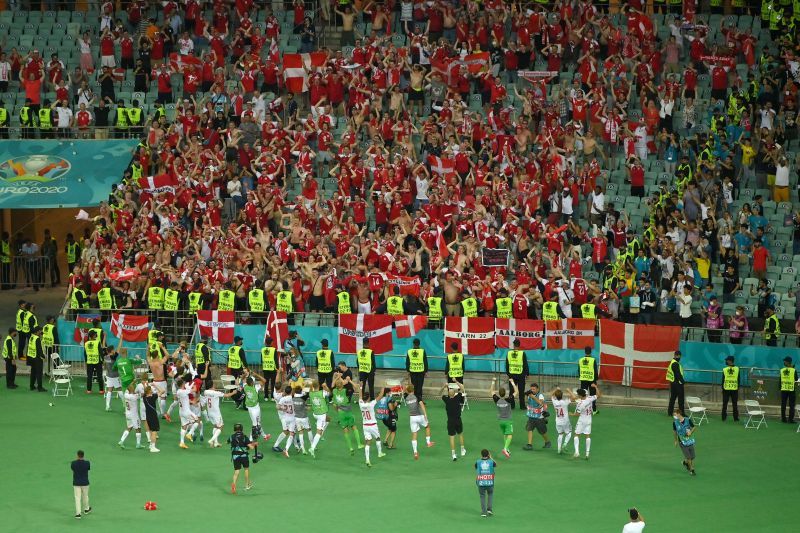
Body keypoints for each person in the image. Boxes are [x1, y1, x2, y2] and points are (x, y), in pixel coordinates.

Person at [330, 376, 364, 455]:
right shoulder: (346, 391)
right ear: (342, 384)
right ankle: (359, 444)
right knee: (354, 426)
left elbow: (332, 385)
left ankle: (350, 448)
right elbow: (357, 387)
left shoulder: (334, 391)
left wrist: (336, 378)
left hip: (340, 413)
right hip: (348, 412)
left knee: (345, 430)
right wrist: (349, 380)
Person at [357, 382, 387, 467]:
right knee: (378, 438)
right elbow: (380, 396)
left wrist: (361, 387)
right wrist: (383, 387)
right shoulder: (371, 404)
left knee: (368, 442)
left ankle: (367, 459)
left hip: (365, 426)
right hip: (373, 425)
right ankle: (379, 453)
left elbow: (359, 396)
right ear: (369, 398)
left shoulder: (361, 404)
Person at [405, 383, 434, 459]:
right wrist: (425, 414)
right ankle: (428, 442)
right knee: (427, 426)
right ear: (413, 389)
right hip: (419, 415)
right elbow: (422, 405)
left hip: (412, 417)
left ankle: (415, 452)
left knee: (414, 434)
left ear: (407, 391)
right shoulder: (417, 396)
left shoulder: (406, 398)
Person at [490, 377, 517, 458]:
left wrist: (493, 381)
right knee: (510, 435)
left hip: (500, 421)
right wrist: (512, 382)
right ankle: (505, 448)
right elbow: (516, 391)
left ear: (499, 393)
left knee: (505, 434)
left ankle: (507, 449)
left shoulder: (496, 399)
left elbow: (491, 391)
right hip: (508, 421)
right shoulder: (508, 399)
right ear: (505, 393)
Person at [572, 384, 600, 460]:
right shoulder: (590, 398)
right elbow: (598, 395)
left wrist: (571, 414)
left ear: (580, 395)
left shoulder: (580, 404)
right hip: (589, 419)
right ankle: (587, 454)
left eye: (578, 395)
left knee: (576, 435)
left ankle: (577, 452)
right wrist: (596, 387)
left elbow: (577, 414)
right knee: (587, 436)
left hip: (582, 420)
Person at [228, 422, 258, 494]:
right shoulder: (244, 437)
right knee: (246, 469)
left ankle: (234, 485)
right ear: (241, 429)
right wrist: (254, 445)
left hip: (235, 456)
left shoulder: (231, 436)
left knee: (236, 471)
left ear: (235, 429)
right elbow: (250, 447)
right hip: (244, 456)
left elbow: (227, 442)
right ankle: (247, 485)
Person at [441, 382, 467, 461]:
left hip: (450, 421)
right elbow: (462, 388)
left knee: (452, 437)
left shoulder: (446, 399)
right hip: (458, 420)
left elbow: (440, 393)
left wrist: (444, 387)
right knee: (460, 434)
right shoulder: (458, 397)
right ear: (454, 393)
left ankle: (453, 454)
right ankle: (462, 450)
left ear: (448, 394)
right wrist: (456, 381)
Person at [524, 383, 551, 450]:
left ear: (537, 389)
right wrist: (526, 396)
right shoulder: (530, 395)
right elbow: (527, 402)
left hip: (539, 417)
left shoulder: (540, 395)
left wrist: (533, 397)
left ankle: (547, 442)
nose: (532, 390)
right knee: (529, 429)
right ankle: (529, 444)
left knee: (542, 432)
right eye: (531, 389)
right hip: (531, 416)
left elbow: (541, 403)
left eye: (534, 389)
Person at [308, 380, 330, 458]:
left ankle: (321, 429)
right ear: (319, 385)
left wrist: (311, 386)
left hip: (315, 413)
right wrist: (325, 386)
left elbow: (310, 390)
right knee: (318, 432)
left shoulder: (310, 393)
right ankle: (312, 447)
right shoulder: (322, 392)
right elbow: (329, 393)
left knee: (328, 419)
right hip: (321, 415)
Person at [550, 387, 575, 455]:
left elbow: (551, 395)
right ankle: (565, 444)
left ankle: (558, 449)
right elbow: (574, 397)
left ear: (555, 395)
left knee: (560, 434)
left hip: (558, 421)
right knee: (569, 432)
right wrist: (569, 390)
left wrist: (556, 389)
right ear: (562, 395)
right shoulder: (565, 402)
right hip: (565, 421)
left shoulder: (554, 401)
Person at [118, 383, 144, 449]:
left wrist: (133, 382)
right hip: (134, 415)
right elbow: (142, 394)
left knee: (129, 427)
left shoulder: (126, 394)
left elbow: (128, 388)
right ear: (132, 390)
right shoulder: (134, 397)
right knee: (138, 428)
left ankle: (121, 441)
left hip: (128, 414)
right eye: (133, 388)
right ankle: (138, 444)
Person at [176, 378, 199, 449]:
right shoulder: (182, 392)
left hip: (181, 412)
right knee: (197, 420)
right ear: (182, 384)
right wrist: (193, 384)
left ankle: (182, 442)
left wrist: (192, 383)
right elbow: (191, 390)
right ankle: (189, 434)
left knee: (184, 426)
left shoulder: (179, 391)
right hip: (186, 411)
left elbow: (188, 389)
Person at [672, 407, 697, 476]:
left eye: (675, 414)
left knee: (692, 456)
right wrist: (676, 440)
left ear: (679, 414)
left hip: (689, 440)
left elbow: (694, 427)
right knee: (689, 457)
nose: (674, 416)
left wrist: (690, 432)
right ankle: (691, 469)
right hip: (682, 441)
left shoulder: (687, 420)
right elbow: (674, 432)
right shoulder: (675, 423)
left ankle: (685, 462)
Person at [505, 340, 528, 410]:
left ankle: (511, 406)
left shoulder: (509, 353)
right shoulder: (522, 353)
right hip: (520, 375)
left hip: (512, 375)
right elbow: (525, 364)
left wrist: (508, 374)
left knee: (512, 391)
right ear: (519, 345)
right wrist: (526, 374)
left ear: (513, 345)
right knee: (521, 391)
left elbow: (507, 364)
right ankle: (522, 406)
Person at [475, 449, 496, 518]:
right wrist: (490, 457)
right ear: (488, 455)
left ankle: (484, 512)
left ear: (481, 455)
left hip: (481, 482)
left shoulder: (478, 462)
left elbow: (475, 467)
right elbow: (496, 464)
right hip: (490, 482)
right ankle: (489, 510)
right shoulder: (491, 462)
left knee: (482, 496)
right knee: (490, 495)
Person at [70, 450, 91, 519]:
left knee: (77, 498)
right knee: (85, 496)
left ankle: (78, 514)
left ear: (77, 455)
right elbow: (88, 469)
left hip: (76, 483)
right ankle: (86, 509)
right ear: (83, 455)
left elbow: (73, 469)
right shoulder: (87, 463)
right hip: (85, 483)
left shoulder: (73, 463)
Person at [578, 347, 599, 413]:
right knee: (592, 395)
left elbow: (579, 370)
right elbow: (595, 371)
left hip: (583, 379)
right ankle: (594, 410)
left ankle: (581, 409)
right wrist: (596, 380)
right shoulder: (593, 360)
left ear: (585, 352)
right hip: (591, 380)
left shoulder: (581, 360)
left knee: (583, 394)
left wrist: (581, 376)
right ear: (591, 352)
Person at [142, 385, 161, 452]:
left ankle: (151, 445)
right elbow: (162, 391)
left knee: (150, 430)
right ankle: (153, 447)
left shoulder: (144, 397)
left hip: (148, 416)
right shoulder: (153, 397)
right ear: (149, 391)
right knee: (154, 432)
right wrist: (155, 386)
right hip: (153, 416)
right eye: (151, 389)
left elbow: (145, 392)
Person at [666, 350, 685, 416]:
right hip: (678, 384)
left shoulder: (672, 362)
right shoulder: (675, 364)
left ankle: (670, 412)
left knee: (672, 398)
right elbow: (678, 374)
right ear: (677, 356)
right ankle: (681, 414)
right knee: (681, 400)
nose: (679, 357)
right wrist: (683, 382)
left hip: (673, 383)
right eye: (678, 356)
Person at [721, 355, 739, 422]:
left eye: (727, 360)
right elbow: (738, 380)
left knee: (726, 404)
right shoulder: (736, 369)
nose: (726, 361)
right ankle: (735, 418)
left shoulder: (725, 369)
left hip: (728, 389)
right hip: (733, 389)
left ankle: (724, 417)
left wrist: (722, 388)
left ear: (730, 361)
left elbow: (723, 380)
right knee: (733, 404)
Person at [27, 325, 46, 392]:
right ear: (38, 331)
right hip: (37, 358)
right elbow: (39, 349)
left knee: (33, 372)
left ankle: (32, 386)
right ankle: (40, 387)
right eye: (40, 331)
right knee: (39, 373)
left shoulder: (31, 337)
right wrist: (43, 356)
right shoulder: (37, 338)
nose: (41, 333)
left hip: (31, 357)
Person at [780, 356, 797, 423]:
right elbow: (796, 379)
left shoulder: (782, 370)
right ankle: (790, 419)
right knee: (791, 405)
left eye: (785, 361)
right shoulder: (793, 370)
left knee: (783, 405)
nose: (784, 362)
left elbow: (780, 380)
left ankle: (783, 419)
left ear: (788, 362)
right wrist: (792, 369)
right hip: (791, 389)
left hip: (784, 389)